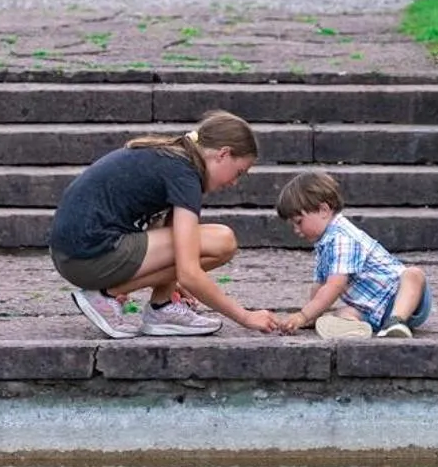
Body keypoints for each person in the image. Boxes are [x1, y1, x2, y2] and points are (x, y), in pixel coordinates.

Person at [48, 110, 281, 339]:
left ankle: (163, 306)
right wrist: (245, 317)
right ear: (223, 154)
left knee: (189, 243)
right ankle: (106, 296)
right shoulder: (185, 174)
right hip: (88, 255)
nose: (234, 183)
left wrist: (168, 285)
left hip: (73, 255)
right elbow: (189, 272)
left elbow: (171, 238)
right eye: (239, 172)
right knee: (223, 241)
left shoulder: (174, 160)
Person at [273, 171, 431, 339]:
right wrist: (312, 314)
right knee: (340, 313)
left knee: (413, 274)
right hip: (369, 309)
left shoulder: (342, 238)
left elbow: (334, 285)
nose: (296, 230)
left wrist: (303, 315)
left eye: (299, 222)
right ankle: (357, 327)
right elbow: (319, 285)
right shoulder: (324, 243)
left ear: (323, 210)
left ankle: (397, 320)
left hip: (398, 296)